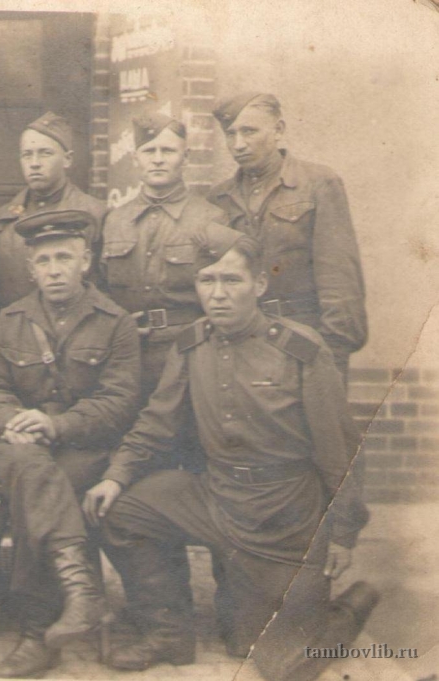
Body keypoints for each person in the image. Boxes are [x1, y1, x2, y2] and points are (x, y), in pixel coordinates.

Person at [84, 225, 375, 677]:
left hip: (284, 517)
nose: (217, 294)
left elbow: (341, 450)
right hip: (215, 496)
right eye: (207, 280)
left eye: (231, 280)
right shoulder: (191, 343)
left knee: (267, 656)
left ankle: (348, 607)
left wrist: (343, 534)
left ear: (259, 285)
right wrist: (114, 476)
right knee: (121, 511)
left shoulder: (299, 349)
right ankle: (168, 632)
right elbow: (156, 423)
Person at [0, 210, 141, 678]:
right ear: (31, 269)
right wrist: (12, 420)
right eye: (43, 261)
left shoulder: (116, 323)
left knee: (45, 482)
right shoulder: (9, 320)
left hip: (81, 446)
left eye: (64, 257)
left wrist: (57, 425)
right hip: (17, 443)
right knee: (32, 469)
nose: (54, 270)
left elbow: (119, 402)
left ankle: (36, 632)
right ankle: (78, 592)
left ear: (86, 261)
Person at [208, 92, 367, 379]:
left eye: (249, 131)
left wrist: (332, 349)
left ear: (278, 130)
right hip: (243, 342)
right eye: (230, 134)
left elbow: (339, 275)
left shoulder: (318, 183)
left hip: (305, 338)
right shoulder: (218, 198)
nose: (238, 144)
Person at [100, 113, 230, 402]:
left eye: (168, 151)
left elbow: (225, 294)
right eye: (149, 151)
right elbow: (99, 290)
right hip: (126, 355)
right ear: (136, 158)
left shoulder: (211, 218)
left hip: (189, 352)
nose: (158, 159)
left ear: (185, 157)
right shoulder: (114, 221)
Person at [0, 112, 107, 310]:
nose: (34, 163)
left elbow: (105, 286)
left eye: (45, 153)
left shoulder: (95, 214)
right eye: (27, 155)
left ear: (67, 159)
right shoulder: (2, 218)